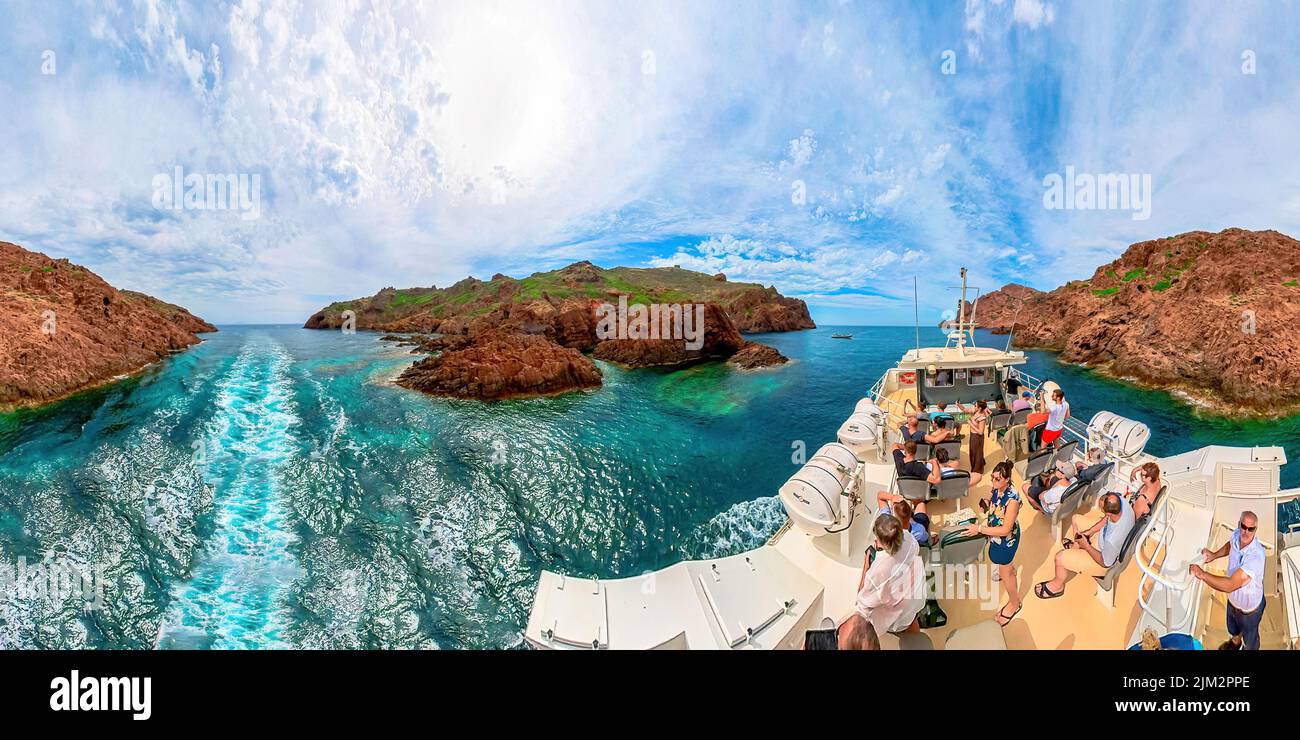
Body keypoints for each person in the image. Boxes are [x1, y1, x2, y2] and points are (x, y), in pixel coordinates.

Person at [1036, 492, 1134, 599]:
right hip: (1102, 540)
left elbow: (1104, 562)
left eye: (1103, 510)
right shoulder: (1121, 503)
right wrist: (1090, 531)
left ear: (1109, 513)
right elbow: (1106, 519)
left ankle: (1057, 586)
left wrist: (1086, 545)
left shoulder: (1113, 540)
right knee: (1075, 519)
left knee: (1059, 558)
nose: (1103, 513)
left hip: (1103, 559)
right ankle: (1076, 549)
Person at [1191, 512, 1266, 650]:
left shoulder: (1257, 556)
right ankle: (1235, 642)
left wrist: (1202, 574)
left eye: (1251, 529)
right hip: (1232, 603)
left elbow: (1230, 585)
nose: (1246, 532)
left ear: (1255, 530)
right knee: (1233, 631)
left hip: (1249, 612)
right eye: (1244, 526)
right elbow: (1230, 545)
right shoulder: (1237, 534)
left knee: (1250, 643)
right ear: (1239, 525)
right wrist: (1214, 555)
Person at [963, 460, 1021, 625]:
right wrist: (987, 503)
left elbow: (1005, 530)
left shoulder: (1013, 500)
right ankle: (1008, 569)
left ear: (1007, 480)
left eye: (997, 479)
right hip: (995, 535)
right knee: (1005, 568)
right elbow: (992, 497)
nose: (994, 482)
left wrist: (979, 529)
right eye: (992, 478)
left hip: (1006, 540)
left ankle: (1014, 603)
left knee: (1005, 573)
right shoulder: (997, 488)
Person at [855, 514, 926, 636]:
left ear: (881, 542)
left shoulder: (878, 571)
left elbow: (863, 602)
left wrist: (866, 565)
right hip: (914, 595)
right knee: (911, 619)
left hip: (897, 612)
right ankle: (916, 640)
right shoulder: (909, 538)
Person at [955, 399, 990, 474]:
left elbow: (981, 432)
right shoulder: (975, 410)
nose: (974, 406)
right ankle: (980, 463)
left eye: (975, 405)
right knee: (973, 452)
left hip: (977, 437)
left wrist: (970, 424)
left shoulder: (982, 418)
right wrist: (958, 404)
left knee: (976, 453)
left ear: (980, 408)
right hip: (973, 435)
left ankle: (977, 469)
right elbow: (964, 410)